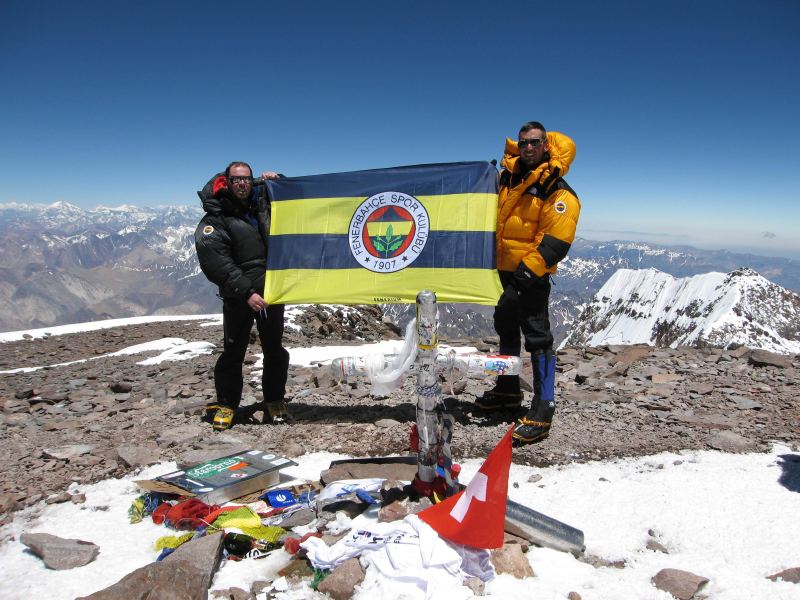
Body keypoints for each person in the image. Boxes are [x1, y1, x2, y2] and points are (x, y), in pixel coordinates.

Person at [477, 122, 580, 445]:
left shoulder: (557, 190)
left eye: (535, 142)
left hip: (530, 275)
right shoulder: (508, 178)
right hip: (502, 270)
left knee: (537, 337)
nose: (528, 148)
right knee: (506, 328)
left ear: (546, 145)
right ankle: (508, 391)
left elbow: (556, 242)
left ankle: (543, 408)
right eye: (523, 143)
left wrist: (523, 277)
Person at [195, 161, 290, 431]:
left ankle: (274, 400)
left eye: (246, 179)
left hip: (271, 293)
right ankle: (227, 404)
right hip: (239, 297)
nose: (242, 184)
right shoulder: (216, 218)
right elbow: (217, 263)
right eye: (236, 180)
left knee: (274, 350)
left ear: (252, 180)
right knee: (233, 352)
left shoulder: (261, 203)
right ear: (227, 181)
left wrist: (278, 179)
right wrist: (247, 292)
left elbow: (296, 203)